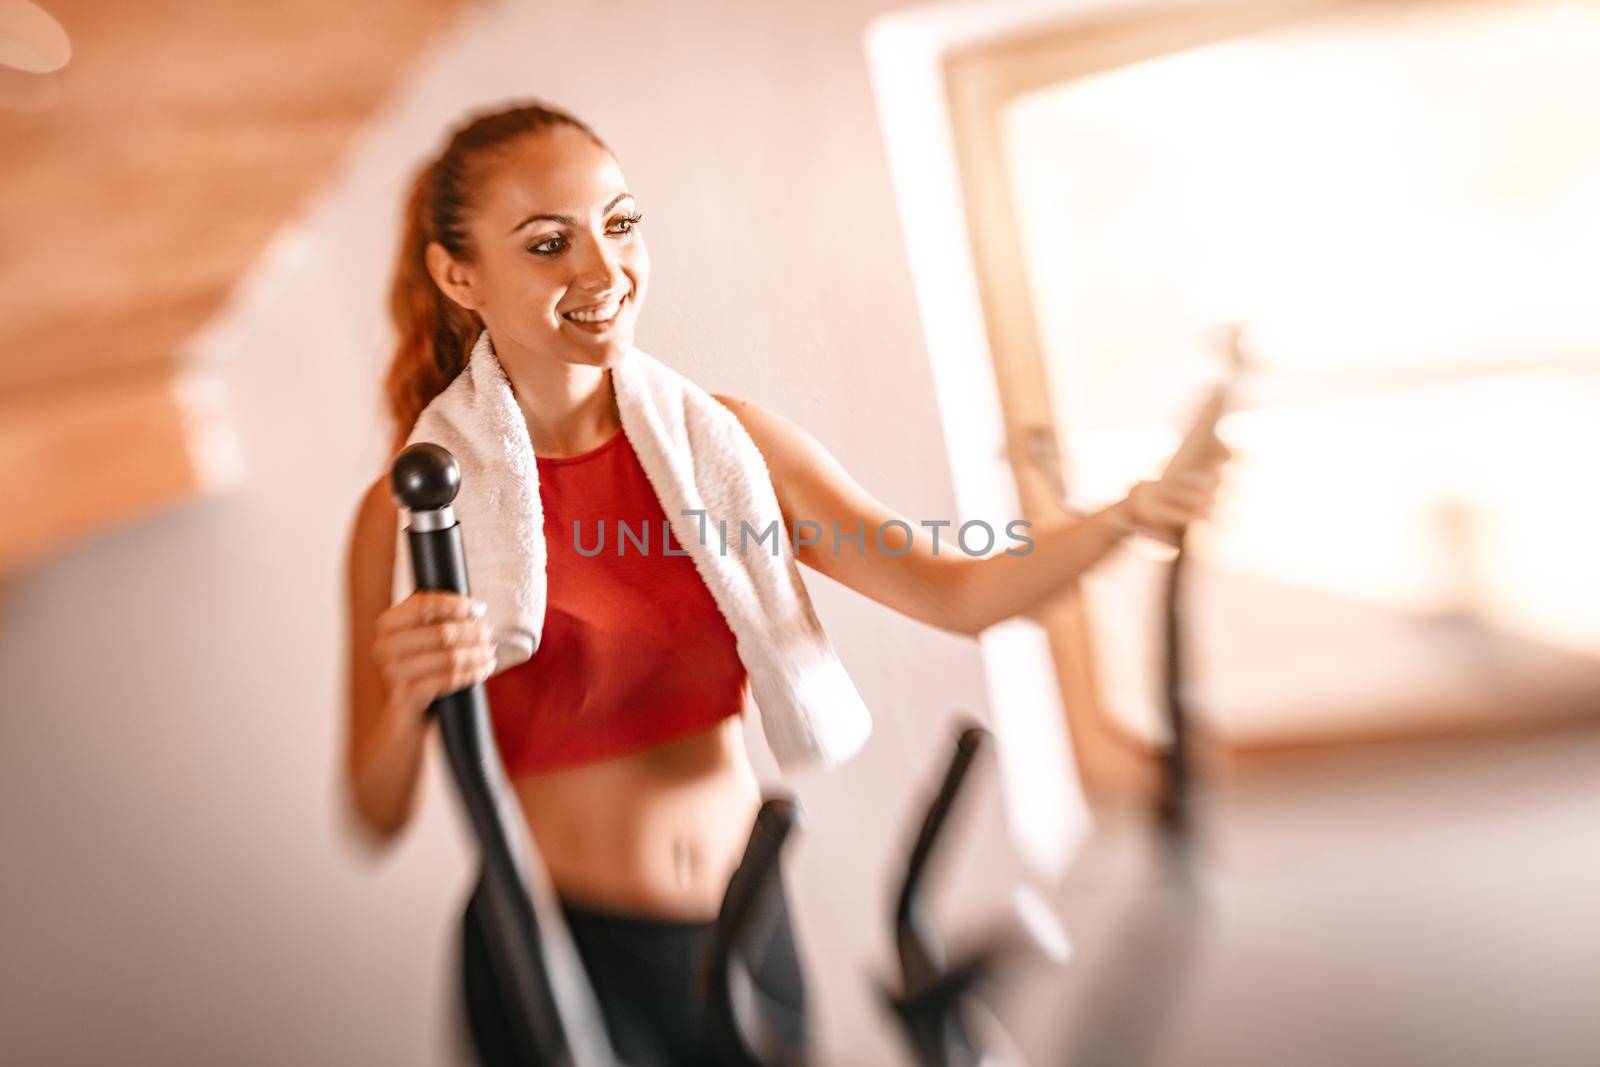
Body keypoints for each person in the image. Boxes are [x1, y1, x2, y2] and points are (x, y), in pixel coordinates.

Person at [342, 101, 1227, 1066]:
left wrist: (1135, 511)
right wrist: (408, 690)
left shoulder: (725, 448)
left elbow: (958, 594)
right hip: (551, 956)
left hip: (747, 928)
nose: (603, 271)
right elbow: (376, 808)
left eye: (622, 223)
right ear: (456, 273)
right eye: (549, 243)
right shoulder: (414, 513)